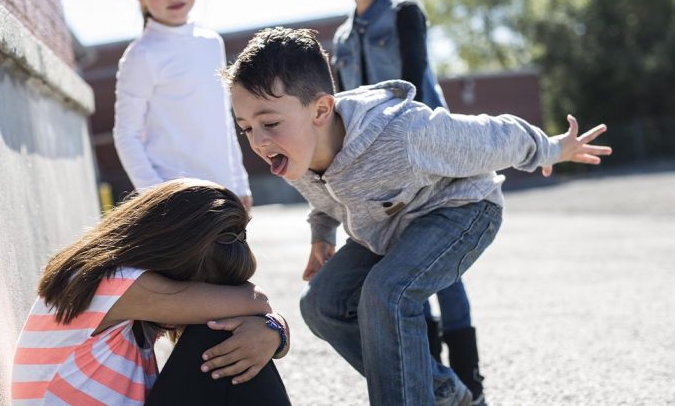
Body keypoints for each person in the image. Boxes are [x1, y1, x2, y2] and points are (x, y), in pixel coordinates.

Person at [223, 27, 611, 406]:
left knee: (387, 293)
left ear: (321, 110)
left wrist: (552, 148)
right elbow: (323, 200)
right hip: (388, 227)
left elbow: (493, 136)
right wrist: (321, 234)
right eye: (246, 128)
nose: (258, 140)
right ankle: (438, 389)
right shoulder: (297, 153)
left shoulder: (403, 134)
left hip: (462, 211)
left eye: (270, 122)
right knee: (321, 303)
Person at [332, 0, 483, 401]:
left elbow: (415, 76)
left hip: (425, 152)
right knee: (402, 265)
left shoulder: (404, 14)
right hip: (376, 169)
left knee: (443, 270)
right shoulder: (339, 39)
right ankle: (436, 381)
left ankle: (470, 382)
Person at [10, 178, 292, 406]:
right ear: (177, 255)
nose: (204, 295)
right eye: (204, 286)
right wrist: (271, 326)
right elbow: (257, 302)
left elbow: (256, 310)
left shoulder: (121, 287)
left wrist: (271, 330)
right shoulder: (114, 282)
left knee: (236, 336)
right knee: (220, 330)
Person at [113, 0, 252, 209]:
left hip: (224, 193)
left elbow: (223, 120)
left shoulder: (211, 43)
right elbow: (126, 134)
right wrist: (156, 196)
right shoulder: (141, 55)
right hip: (177, 202)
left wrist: (239, 182)